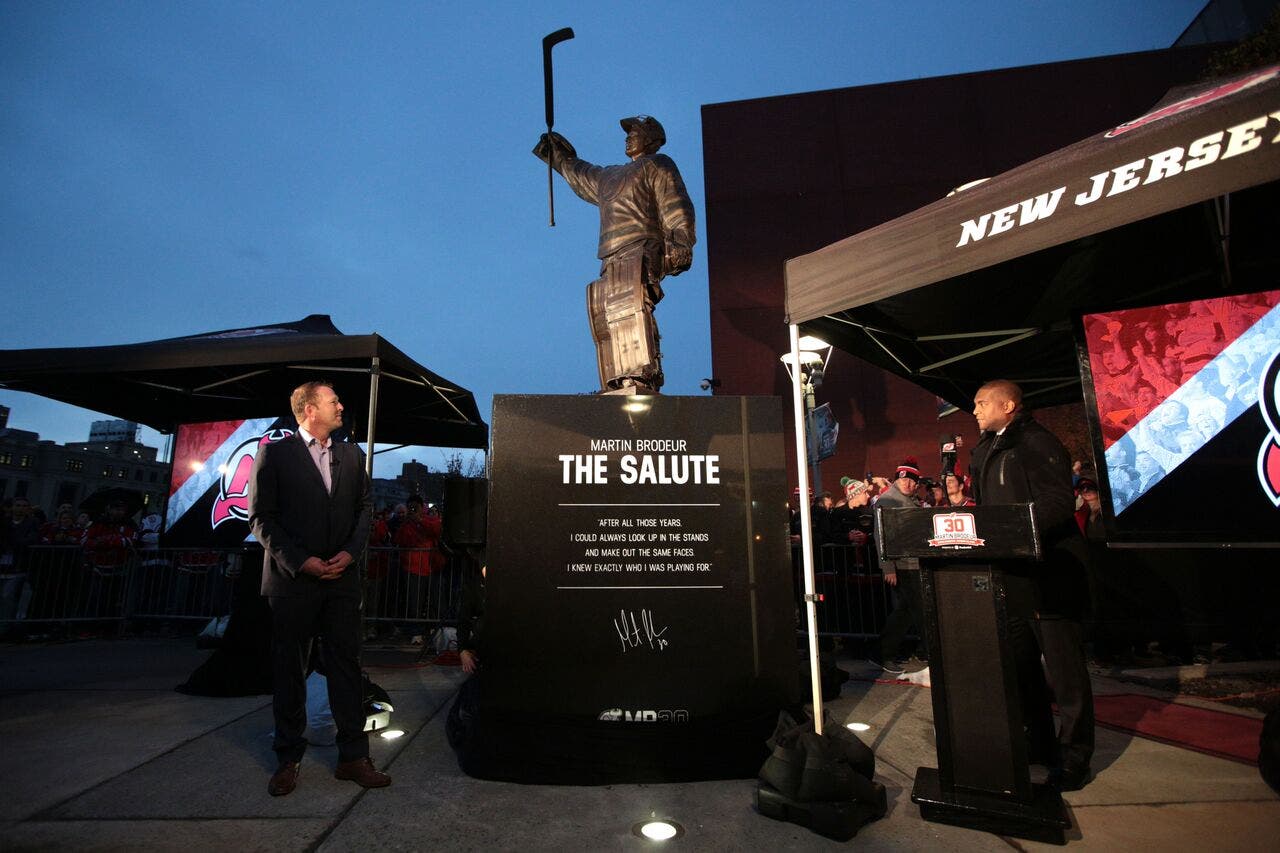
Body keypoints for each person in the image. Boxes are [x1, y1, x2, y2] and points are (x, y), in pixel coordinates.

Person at [248, 381, 388, 797]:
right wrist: (300, 561)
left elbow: (365, 507)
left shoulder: (350, 453)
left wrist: (350, 553)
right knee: (291, 670)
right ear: (310, 409)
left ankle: (353, 758)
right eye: (333, 402)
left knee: (346, 667)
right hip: (293, 583)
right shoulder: (274, 453)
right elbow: (261, 518)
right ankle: (288, 758)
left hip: (342, 581)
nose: (341, 407)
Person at [969, 379, 1094, 791]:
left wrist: (1011, 532)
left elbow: (1059, 502)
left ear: (1009, 405)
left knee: (1065, 675)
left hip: (1050, 576)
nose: (975, 410)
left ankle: (1075, 756)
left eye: (982, 403)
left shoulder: (1036, 442)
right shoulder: (987, 449)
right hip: (1013, 579)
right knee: (1022, 668)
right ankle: (1039, 743)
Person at [534, 115, 696, 393]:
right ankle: (614, 380)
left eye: (636, 132)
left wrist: (681, 242)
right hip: (610, 254)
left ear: (652, 139)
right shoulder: (609, 176)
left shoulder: (658, 164)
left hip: (642, 246)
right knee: (603, 312)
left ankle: (641, 372)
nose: (629, 136)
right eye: (628, 132)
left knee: (630, 307)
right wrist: (557, 155)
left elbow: (675, 204)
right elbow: (579, 174)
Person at [872, 459, 925, 671]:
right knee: (910, 611)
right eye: (904, 479)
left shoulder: (909, 500)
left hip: (912, 564)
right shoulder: (888, 501)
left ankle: (886, 653)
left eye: (912, 481)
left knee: (907, 611)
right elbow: (881, 536)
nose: (908, 484)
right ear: (897, 479)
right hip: (902, 566)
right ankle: (884, 653)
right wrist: (888, 567)